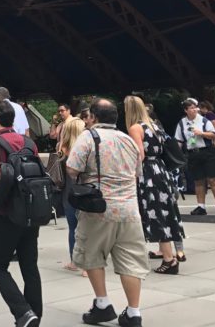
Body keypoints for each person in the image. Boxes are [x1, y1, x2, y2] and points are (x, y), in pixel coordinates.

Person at [67, 99, 149, 327]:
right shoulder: (128, 140)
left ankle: (102, 304)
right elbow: (137, 171)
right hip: (129, 210)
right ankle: (133, 312)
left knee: (92, 254)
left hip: (98, 209)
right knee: (131, 261)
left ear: (93, 117)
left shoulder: (89, 137)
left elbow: (72, 168)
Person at [0, 100, 42, 327]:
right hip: (31, 211)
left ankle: (23, 312)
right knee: (29, 266)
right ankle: (35, 314)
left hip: (7, 212)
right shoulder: (28, 142)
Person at [124, 96, 184, 275]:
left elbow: (139, 155)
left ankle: (169, 259)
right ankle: (169, 254)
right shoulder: (153, 125)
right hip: (161, 170)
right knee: (164, 212)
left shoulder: (135, 128)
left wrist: (130, 173)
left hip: (148, 173)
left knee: (154, 213)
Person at [174, 98, 215, 216]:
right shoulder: (182, 123)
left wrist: (201, 133)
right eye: (191, 108)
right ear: (186, 110)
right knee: (198, 181)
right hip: (193, 153)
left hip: (207, 152)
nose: (195, 110)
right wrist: (176, 155)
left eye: (195, 107)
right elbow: (179, 140)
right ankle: (201, 206)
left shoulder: (204, 120)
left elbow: (214, 134)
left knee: (213, 180)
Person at [55, 116, 86, 273]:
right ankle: (88, 265)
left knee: (73, 227)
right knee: (87, 228)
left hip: (69, 192)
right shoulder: (87, 149)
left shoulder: (63, 151)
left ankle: (75, 261)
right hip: (86, 191)